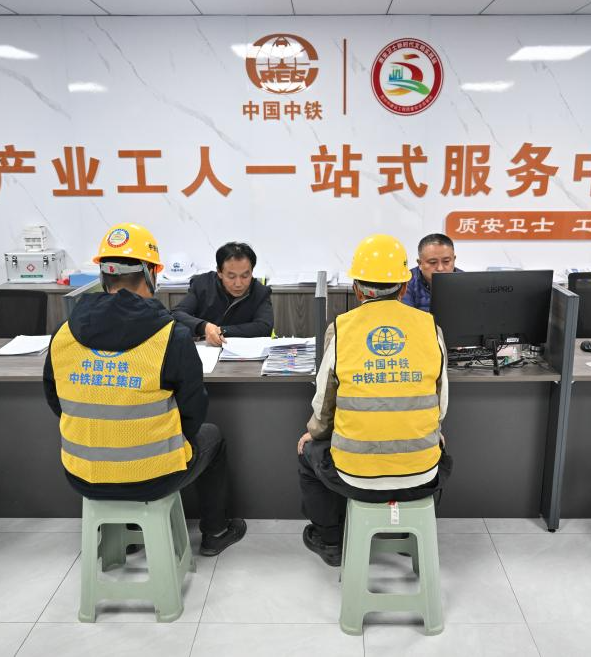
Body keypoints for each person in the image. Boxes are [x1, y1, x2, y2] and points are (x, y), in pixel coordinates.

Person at [43, 223, 246, 556]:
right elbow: (193, 411)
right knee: (212, 437)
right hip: (153, 476)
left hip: (82, 474)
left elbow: (56, 401)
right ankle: (216, 532)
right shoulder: (170, 335)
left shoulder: (63, 332)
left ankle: (126, 533)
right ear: (151, 273)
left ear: (103, 274)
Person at [296, 234, 453, 566]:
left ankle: (330, 541)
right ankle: (409, 536)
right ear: (404, 287)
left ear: (357, 289)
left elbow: (323, 403)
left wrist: (314, 433)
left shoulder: (341, 329)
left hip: (354, 476)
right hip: (422, 475)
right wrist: (434, 431)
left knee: (309, 453)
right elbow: (441, 404)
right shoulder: (431, 328)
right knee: (440, 452)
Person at [172, 242, 274, 346]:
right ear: (219, 272)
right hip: (206, 350)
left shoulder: (260, 292)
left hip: (242, 350)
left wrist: (219, 330)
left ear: (252, 272)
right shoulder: (202, 284)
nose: (238, 284)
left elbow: (264, 327)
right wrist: (204, 327)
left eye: (245, 276)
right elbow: (176, 314)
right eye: (231, 276)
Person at [401, 233, 463, 312]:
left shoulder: (466, 282)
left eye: (446, 261)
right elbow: (405, 316)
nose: (440, 268)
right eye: (433, 262)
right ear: (420, 263)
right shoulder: (406, 282)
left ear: (454, 260)